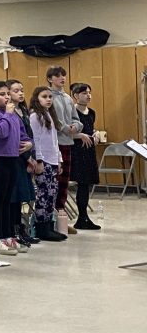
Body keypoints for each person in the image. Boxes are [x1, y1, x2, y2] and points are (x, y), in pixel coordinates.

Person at [0, 80, 32, 256]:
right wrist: (6, 115)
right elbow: (0, 132)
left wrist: (29, 144)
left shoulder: (13, 114)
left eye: (7, 94)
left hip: (14, 158)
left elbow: (24, 135)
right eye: (1, 94)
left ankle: (8, 236)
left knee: (8, 200)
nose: (6, 97)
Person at [47, 66, 92, 234]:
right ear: (50, 79)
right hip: (55, 142)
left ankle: (61, 219)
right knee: (54, 182)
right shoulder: (48, 96)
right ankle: (50, 220)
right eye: (58, 76)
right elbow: (52, 118)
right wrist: (67, 128)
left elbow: (76, 118)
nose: (62, 78)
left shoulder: (66, 97)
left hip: (68, 143)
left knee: (64, 183)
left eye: (63, 75)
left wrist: (76, 126)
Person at [28, 86, 67, 242]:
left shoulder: (49, 115)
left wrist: (59, 159)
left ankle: (49, 226)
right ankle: (41, 228)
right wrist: (38, 160)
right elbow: (35, 140)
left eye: (50, 97)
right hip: (43, 161)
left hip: (52, 160)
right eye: (44, 96)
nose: (49, 99)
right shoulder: (35, 116)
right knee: (44, 195)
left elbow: (54, 141)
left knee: (52, 194)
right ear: (37, 99)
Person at [8, 80, 38, 247]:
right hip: (18, 157)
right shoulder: (10, 112)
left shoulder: (24, 110)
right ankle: (14, 230)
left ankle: (21, 228)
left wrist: (31, 150)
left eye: (22, 90)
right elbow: (16, 137)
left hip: (27, 155)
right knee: (15, 196)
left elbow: (28, 134)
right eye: (15, 90)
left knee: (22, 198)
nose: (20, 93)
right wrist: (27, 156)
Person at [70, 82, 101, 230]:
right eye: (84, 93)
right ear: (76, 96)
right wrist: (79, 135)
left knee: (86, 184)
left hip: (89, 151)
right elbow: (67, 133)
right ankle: (82, 217)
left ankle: (84, 217)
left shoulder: (92, 112)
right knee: (81, 183)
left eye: (89, 92)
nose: (88, 95)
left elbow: (91, 128)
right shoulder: (72, 112)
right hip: (77, 150)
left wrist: (95, 134)